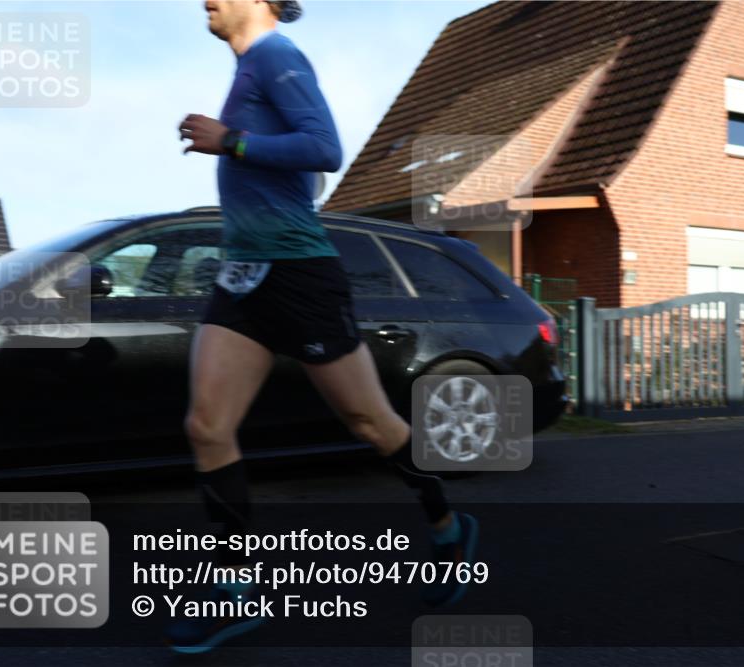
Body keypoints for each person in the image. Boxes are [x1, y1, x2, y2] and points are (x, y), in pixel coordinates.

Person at [165, 0, 478, 653]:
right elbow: (301, 177)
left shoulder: (277, 56)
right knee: (207, 425)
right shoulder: (249, 71)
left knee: (371, 423)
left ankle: (448, 527)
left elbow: (324, 149)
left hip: (299, 276)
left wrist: (231, 141)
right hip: (243, 275)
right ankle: (234, 588)